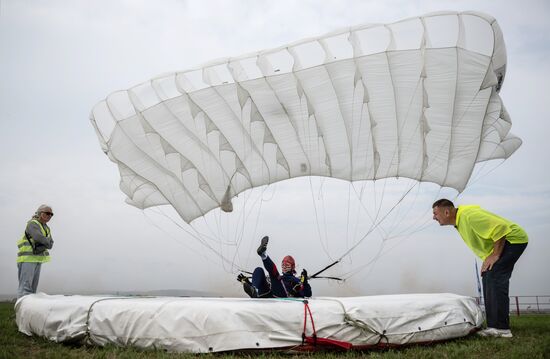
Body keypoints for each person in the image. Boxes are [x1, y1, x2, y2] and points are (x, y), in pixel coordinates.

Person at [432, 199, 528, 338]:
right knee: (488, 275)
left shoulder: (469, 216)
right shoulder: (460, 221)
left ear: (446, 212)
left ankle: (502, 329)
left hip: (514, 240)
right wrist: (488, 258)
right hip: (502, 244)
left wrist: (495, 255)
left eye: (435, 213)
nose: (433, 217)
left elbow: (500, 228)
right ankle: (494, 326)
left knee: (495, 276)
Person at [237, 236, 312, 298]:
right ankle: (254, 290)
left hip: (282, 295)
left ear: (292, 267)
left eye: (287, 265)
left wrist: (304, 282)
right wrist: (247, 282)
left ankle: (263, 255)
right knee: (258, 270)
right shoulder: (280, 277)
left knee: (274, 274)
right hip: (268, 293)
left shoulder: (295, 280)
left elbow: (308, 294)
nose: (284, 267)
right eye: (283, 265)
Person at [16, 205, 55, 299]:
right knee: (25, 288)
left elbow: (51, 244)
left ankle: (28, 312)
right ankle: (21, 312)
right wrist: (46, 242)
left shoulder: (46, 227)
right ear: (40, 213)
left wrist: (46, 242)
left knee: (33, 289)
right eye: (47, 213)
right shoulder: (33, 224)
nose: (49, 215)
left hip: (37, 258)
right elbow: (38, 238)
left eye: (51, 214)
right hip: (27, 259)